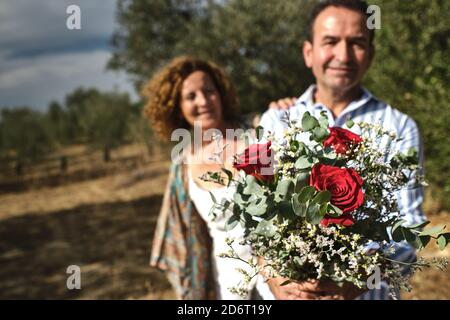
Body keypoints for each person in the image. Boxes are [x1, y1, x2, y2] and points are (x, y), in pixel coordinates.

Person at [258, 0, 426, 300]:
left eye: (357, 43)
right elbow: (256, 225)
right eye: (330, 41)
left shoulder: (399, 127)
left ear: (371, 55)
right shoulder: (277, 121)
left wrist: (358, 280)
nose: (343, 55)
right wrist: (276, 282)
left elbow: (409, 231)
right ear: (309, 53)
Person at [144, 56, 284, 299]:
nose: (203, 101)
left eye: (209, 91)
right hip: (230, 286)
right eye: (191, 96)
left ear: (220, 94)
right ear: (176, 107)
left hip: (281, 276)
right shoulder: (182, 166)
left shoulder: (258, 130)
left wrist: (288, 110)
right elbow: (185, 237)